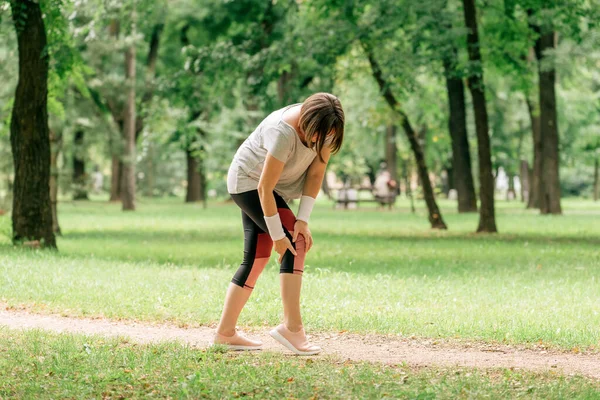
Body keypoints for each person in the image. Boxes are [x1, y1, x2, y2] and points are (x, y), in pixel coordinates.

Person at [212, 93, 345, 355]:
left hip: (273, 190)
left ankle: (225, 333)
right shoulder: (282, 131)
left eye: (326, 136)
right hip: (249, 182)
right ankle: (292, 328)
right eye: (317, 135)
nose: (320, 141)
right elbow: (264, 187)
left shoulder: (328, 126)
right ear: (307, 121)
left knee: (260, 257)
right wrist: (278, 235)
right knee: (295, 244)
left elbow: (316, 173)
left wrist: (303, 220)